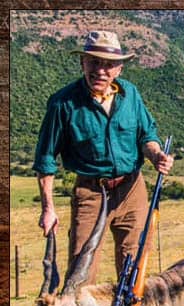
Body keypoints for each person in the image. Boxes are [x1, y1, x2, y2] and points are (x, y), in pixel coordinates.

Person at [33, 30, 174, 284]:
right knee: (80, 273)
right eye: (94, 62)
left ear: (119, 69)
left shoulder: (130, 94)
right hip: (90, 194)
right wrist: (48, 209)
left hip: (133, 189)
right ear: (82, 63)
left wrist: (156, 155)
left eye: (108, 64)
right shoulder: (62, 104)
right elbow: (45, 160)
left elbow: (146, 135)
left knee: (134, 265)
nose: (100, 70)